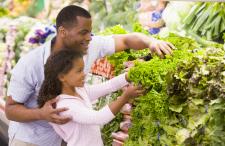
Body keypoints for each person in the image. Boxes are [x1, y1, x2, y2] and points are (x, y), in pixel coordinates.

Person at [5, 5, 173, 146]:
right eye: (83, 32)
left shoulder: (87, 47)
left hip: (62, 138)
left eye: (90, 32)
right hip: (29, 140)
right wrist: (41, 114)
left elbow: (127, 40)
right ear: (63, 31)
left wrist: (151, 42)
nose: (89, 38)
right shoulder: (30, 64)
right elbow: (11, 110)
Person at [37, 49, 143, 146]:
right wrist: (125, 97)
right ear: (62, 77)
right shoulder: (65, 105)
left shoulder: (79, 91)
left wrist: (130, 74)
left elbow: (108, 86)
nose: (84, 74)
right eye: (79, 71)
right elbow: (99, 118)